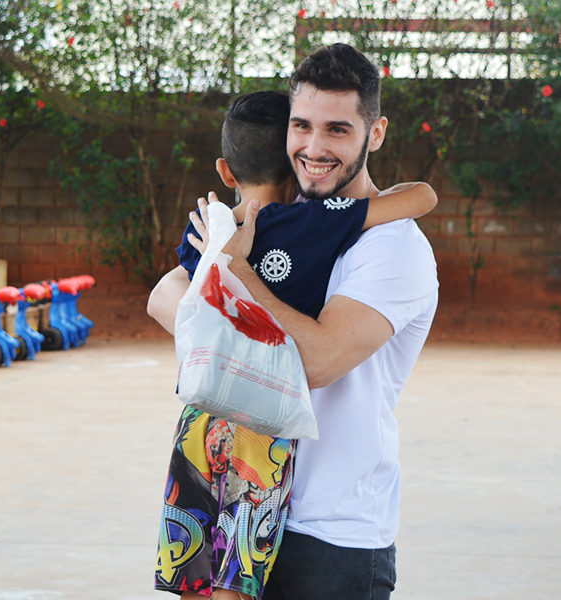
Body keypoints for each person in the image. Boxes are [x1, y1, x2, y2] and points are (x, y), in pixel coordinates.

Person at [150, 63, 438, 599]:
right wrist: (218, 301)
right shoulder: (272, 217)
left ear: (375, 133)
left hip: (328, 534)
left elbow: (317, 362)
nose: (314, 146)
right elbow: (164, 293)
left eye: (337, 129)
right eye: (301, 126)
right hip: (232, 488)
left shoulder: (392, 245)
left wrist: (233, 280)